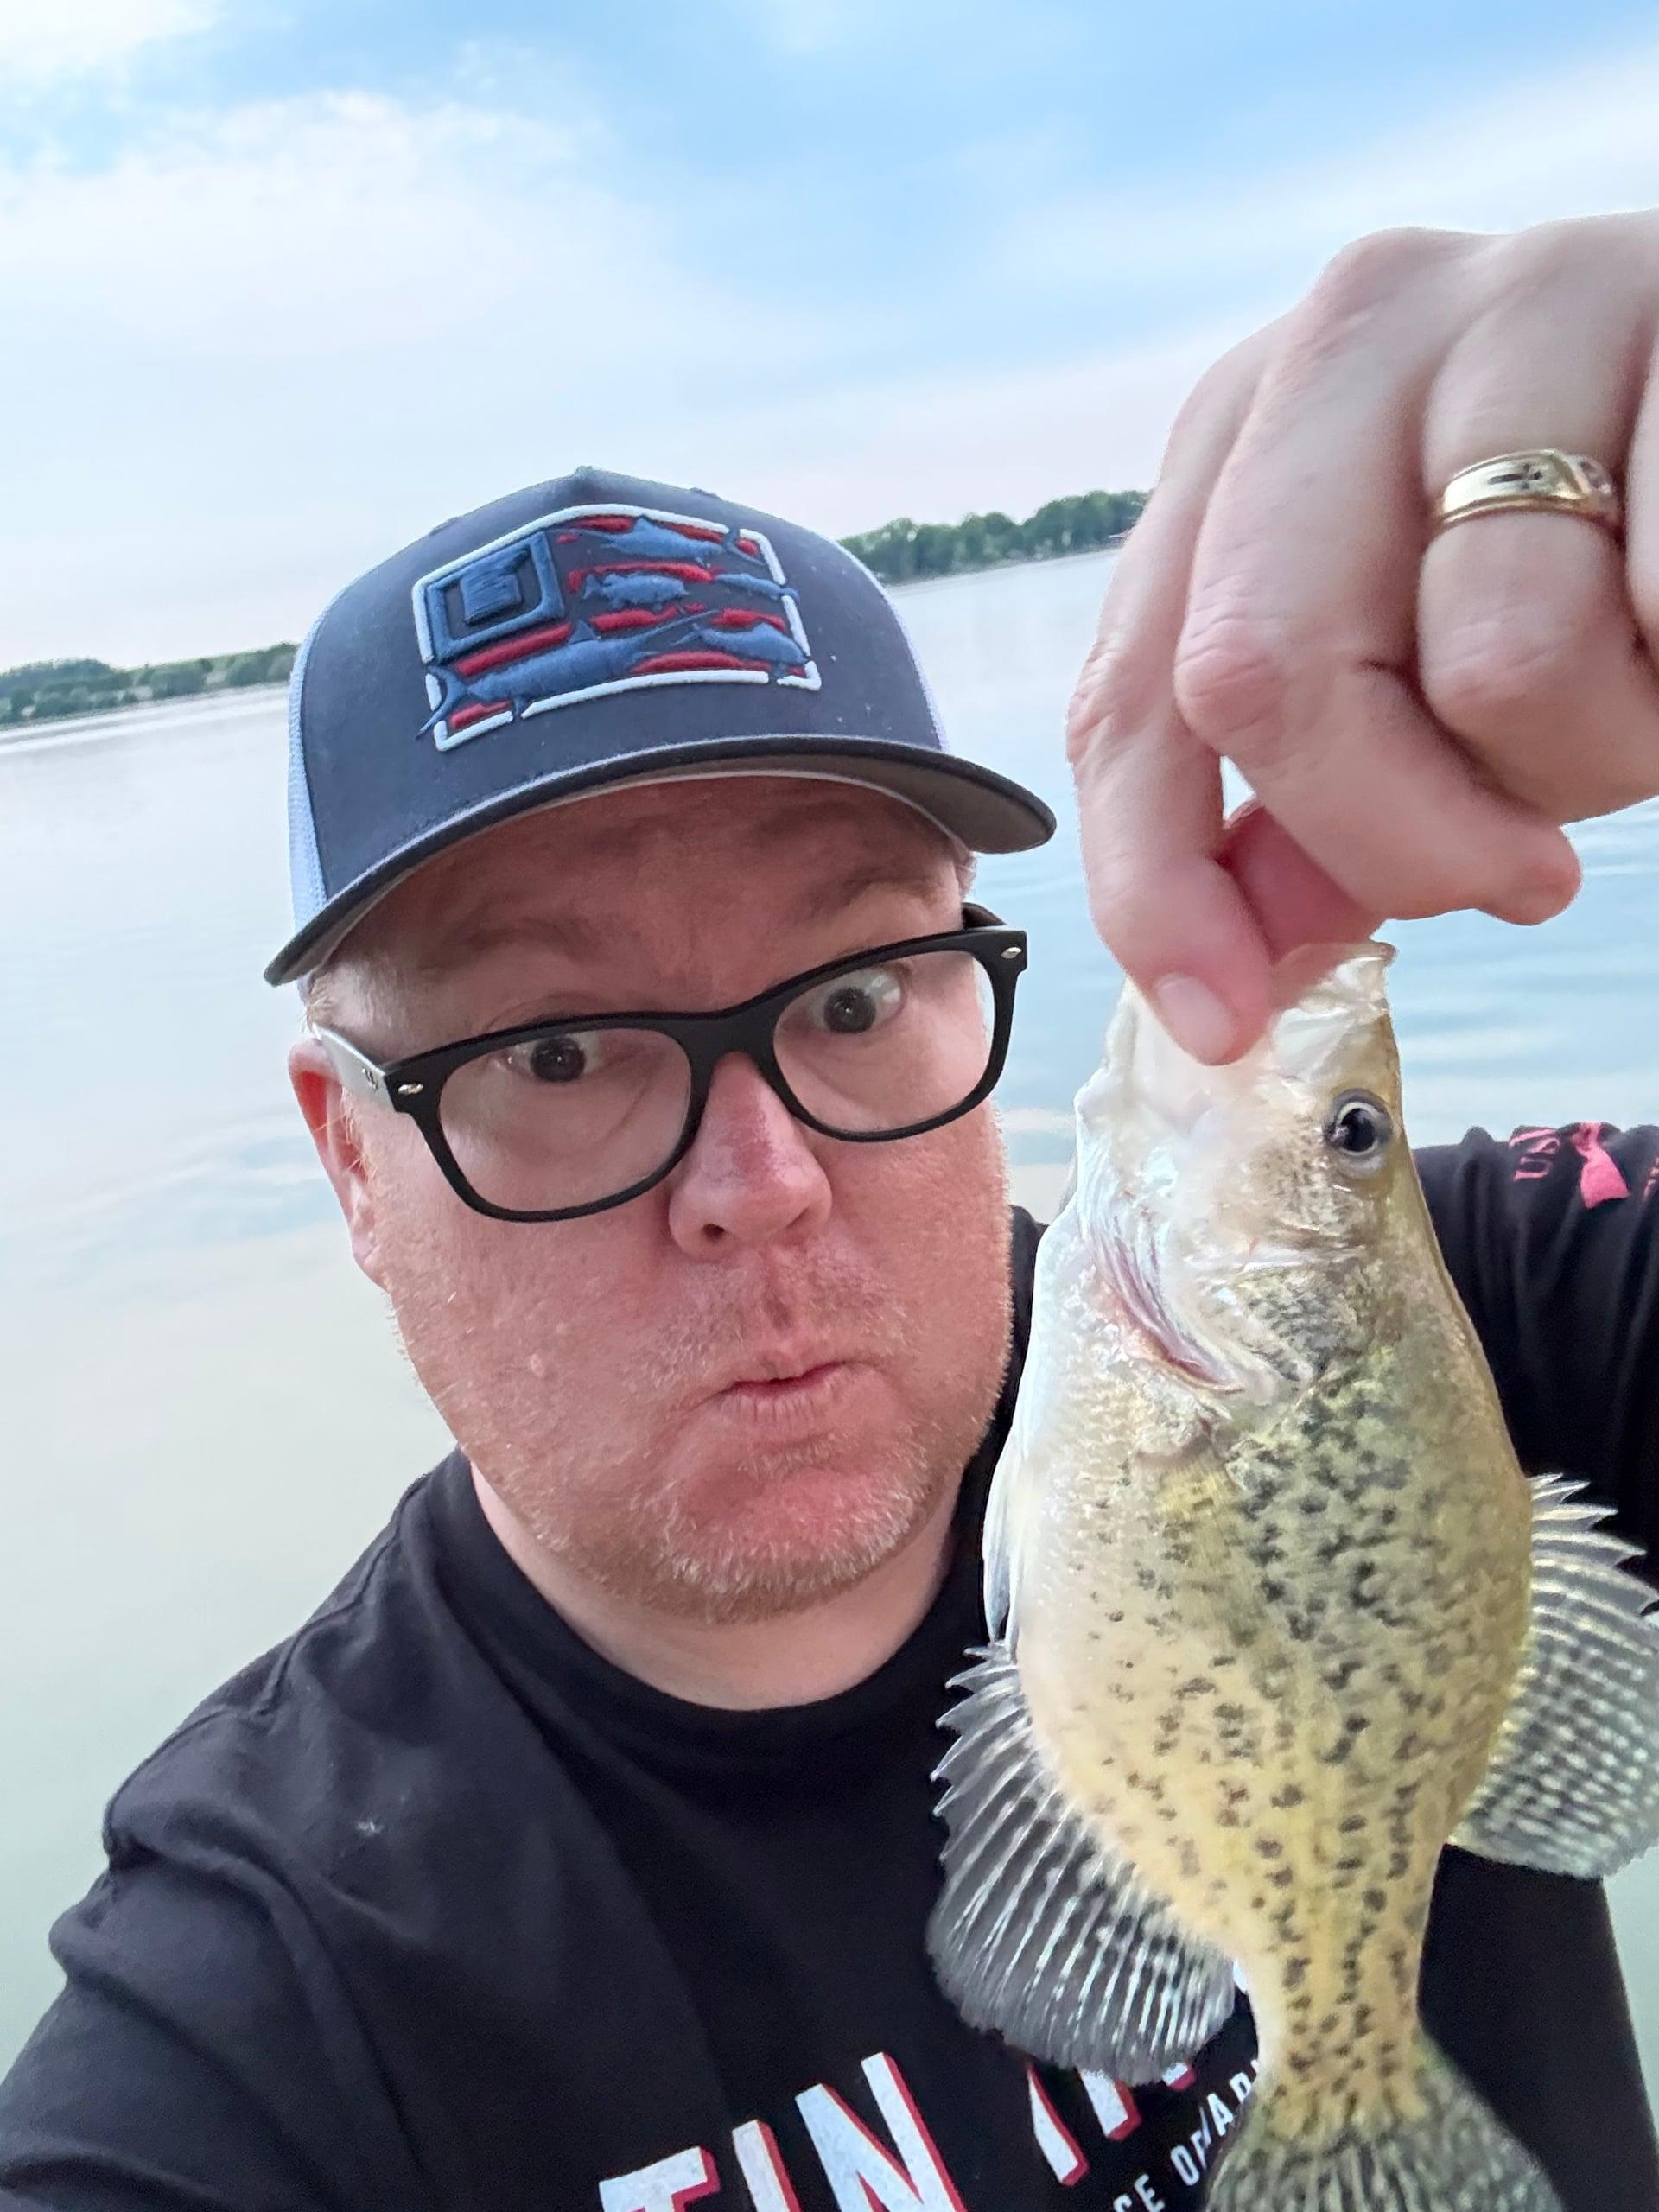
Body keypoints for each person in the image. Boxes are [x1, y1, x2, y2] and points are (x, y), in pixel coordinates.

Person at [3, 217, 1658, 2212]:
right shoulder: (267, 2011)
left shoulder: (1460, 1332)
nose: (761, 1184)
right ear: (354, 1160)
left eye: (856, 999)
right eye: (557, 1055)